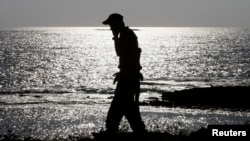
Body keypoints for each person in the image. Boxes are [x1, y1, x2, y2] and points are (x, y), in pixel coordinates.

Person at [102, 13, 146, 135]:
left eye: (111, 25)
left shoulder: (126, 35)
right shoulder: (126, 35)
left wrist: (115, 37)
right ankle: (140, 133)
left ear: (117, 24)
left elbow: (122, 53)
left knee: (117, 110)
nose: (110, 28)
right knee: (129, 109)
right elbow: (123, 55)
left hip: (128, 78)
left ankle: (112, 133)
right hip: (128, 77)